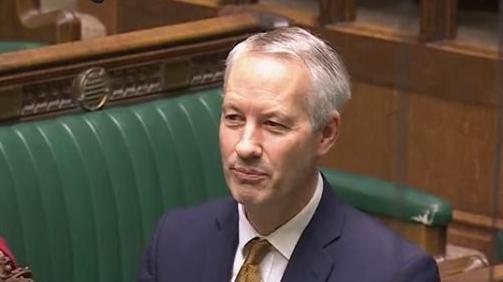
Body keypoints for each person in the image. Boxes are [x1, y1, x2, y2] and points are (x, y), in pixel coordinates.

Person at [139, 27, 439, 282]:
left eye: (273, 124)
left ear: (326, 134)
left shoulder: (394, 274)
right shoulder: (173, 241)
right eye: (233, 118)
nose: (245, 146)